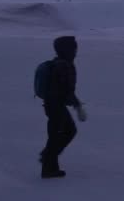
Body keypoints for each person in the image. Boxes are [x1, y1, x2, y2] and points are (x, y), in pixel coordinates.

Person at [40, 36, 87, 178]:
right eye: (73, 48)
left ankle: (50, 165)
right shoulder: (64, 65)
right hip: (56, 105)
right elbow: (66, 90)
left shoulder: (58, 63)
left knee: (57, 134)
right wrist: (78, 105)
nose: (75, 51)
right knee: (66, 132)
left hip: (52, 104)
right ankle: (48, 163)